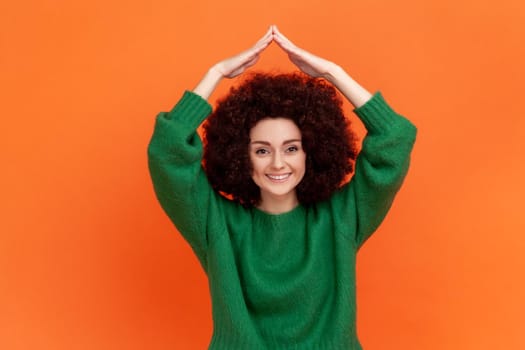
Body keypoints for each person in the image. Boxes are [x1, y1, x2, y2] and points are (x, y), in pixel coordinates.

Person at [148, 25, 417, 350]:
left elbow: (395, 139)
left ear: (312, 152)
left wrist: (334, 74)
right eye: (262, 150)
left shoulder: (341, 218)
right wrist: (215, 73)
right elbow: (167, 151)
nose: (278, 163)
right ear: (240, 156)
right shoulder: (217, 224)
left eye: (291, 148)